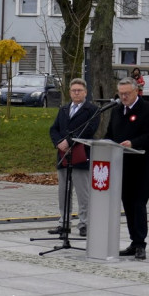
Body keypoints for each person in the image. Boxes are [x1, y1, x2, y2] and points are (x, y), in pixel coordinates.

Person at [108, 77, 149, 260]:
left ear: (136, 91)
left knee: (138, 207)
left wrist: (133, 143)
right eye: (121, 94)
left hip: (140, 169)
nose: (123, 97)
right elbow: (109, 135)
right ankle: (133, 242)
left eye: (127, 94)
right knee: (128, 207)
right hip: (121, 169)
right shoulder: (115, 111)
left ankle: (140, 244)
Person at [48, 78, 100, 236]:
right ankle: (64, 222)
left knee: (82, 192)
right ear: (70, 92)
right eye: (73, 90)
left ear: (85, 92)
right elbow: (54, 128)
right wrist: (59, 142)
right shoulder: (64, 109)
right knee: (64, 191)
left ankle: (84, 223)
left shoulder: (92, 110)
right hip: (63, 155)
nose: (76, 93)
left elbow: (89, 129)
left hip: (81, 154)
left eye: (79, 90)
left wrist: (68, 141)